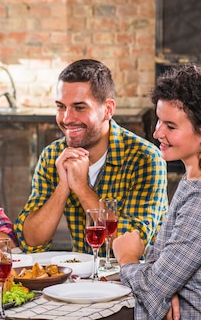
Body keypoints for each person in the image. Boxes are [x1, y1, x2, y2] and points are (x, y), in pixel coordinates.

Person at [113, 64, 201, 320]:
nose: (157, 132)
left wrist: (127, 259)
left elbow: (152, 283)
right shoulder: (194, 179)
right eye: (159, 121)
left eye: (170, 126)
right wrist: (165, 285)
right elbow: (159, 266)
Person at [14, 59, 168, 254]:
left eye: (80, 108)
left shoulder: (145, 158)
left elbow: (131, 247)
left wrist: (81, 187)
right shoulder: (53, 155)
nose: (67, 119)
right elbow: (31, 241)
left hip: (135, 278)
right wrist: (63, 186)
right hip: (83, 277)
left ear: (108, 109)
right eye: (61, 107)